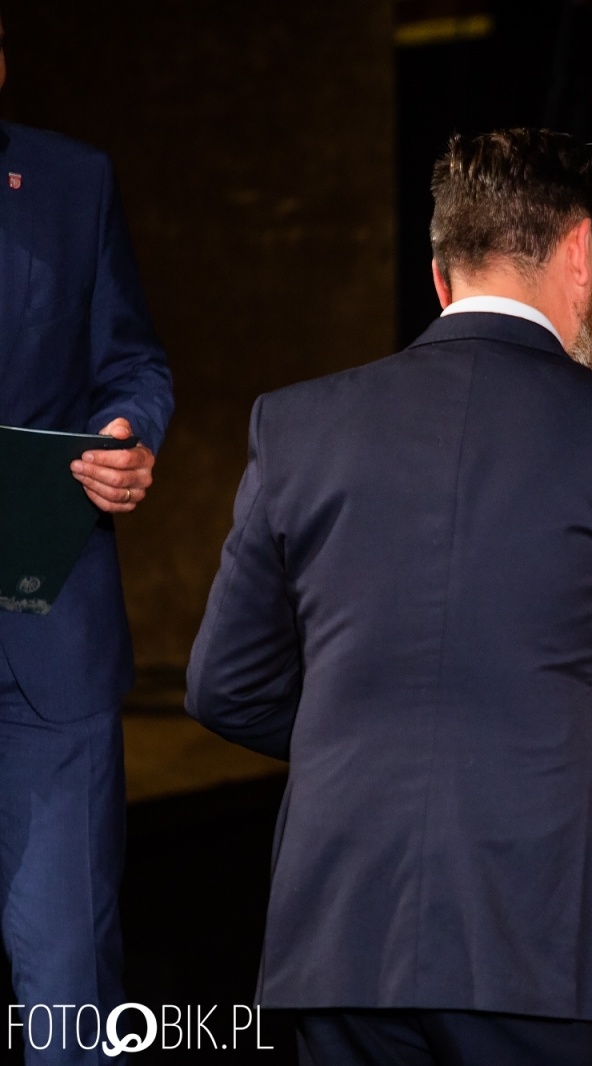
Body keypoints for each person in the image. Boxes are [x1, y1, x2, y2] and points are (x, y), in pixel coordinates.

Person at [185, 128, 592, 1066]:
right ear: (581, 254)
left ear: (443, 277)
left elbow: (223, 685)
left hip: (338, 946)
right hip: (549, 950)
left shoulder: (296, 426)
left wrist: (361, 733)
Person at [0, 15, 173, 1063]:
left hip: (44, 641)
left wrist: (126, 435)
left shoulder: (71, 183)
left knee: (67, 1002)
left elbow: (134, 361)